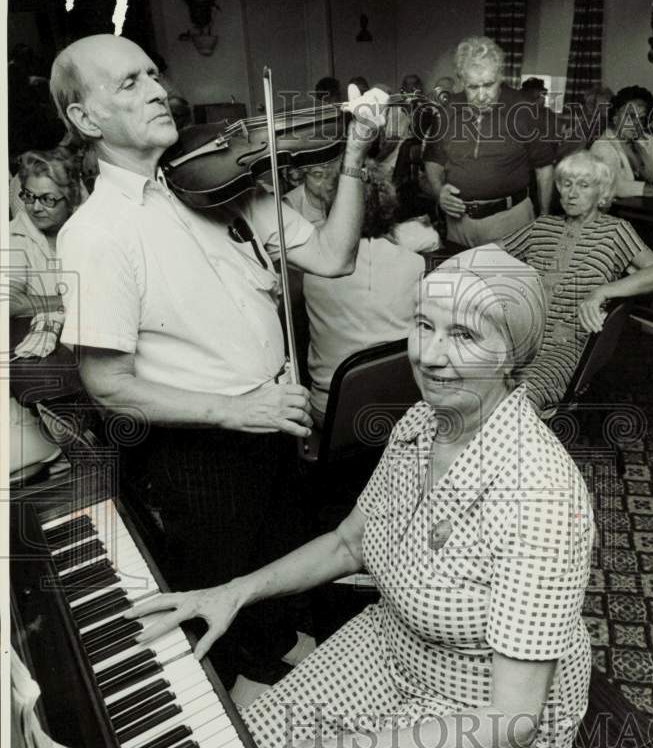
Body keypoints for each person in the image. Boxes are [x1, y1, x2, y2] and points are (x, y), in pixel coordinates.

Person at [129, 245, 594, 748]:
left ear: (512, 355)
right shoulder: (422, 422)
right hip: (390, 645)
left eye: (463, 334)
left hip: (476, 719)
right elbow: (351, 543)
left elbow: (509, 722)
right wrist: (233, 591)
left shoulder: (542, 499)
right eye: (424, 324)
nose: (429, 354)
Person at [52, 34, 385, 687]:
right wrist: (235, 411)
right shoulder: (93, 236)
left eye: (152, 73)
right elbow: (107, 386)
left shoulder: (219, 183)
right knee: (219, 600)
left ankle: (288, 649)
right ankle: (252, 702)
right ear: (85, 119)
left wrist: (353, 153)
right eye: (128, 83)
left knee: (277, 565)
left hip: (274, 419)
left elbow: (335, 256)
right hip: (198, 455)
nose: (156, 89)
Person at [498, 150, 653, 413]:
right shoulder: (542, 226)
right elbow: (488, 256)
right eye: (566, 184)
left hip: (566, 345)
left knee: (515, 403)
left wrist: (603, 292)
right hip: (517, 335)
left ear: (601, 192)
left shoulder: (615, 231)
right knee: (463, 387)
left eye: (583, 185)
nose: (571, 193)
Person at [303, 161, 439, 424]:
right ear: (389, 210)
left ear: (334, 208)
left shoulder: (313, 270)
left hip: (333, 412)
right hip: (401, 404)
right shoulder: (415, 264)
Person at [424, 36, 559, 247]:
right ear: (460, 80)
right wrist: (439, 191)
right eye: (472, 87)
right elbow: (433, 161)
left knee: (506, 281)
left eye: (488, 85)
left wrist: (544, 217)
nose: (481, 95)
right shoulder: (447, 111)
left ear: (500, 76)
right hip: (459, 225)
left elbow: (544, 168)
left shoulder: (523, 110)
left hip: (510, 221)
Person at [7, 150, 85, 406]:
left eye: (48, 199)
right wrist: (73, 299)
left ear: (71, 198)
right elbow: (10, 302)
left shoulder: (88, 230)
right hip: (43, 358)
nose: (36, 207)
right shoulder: (14, 236)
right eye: (28, 197)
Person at [589, 85, 653, 198]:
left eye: (641, 118)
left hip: (645, 207)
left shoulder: (646, 140)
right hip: (617, 209)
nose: (635, 124)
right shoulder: (602, 147)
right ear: (615, 117)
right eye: (630, 116)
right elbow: (617, 187)